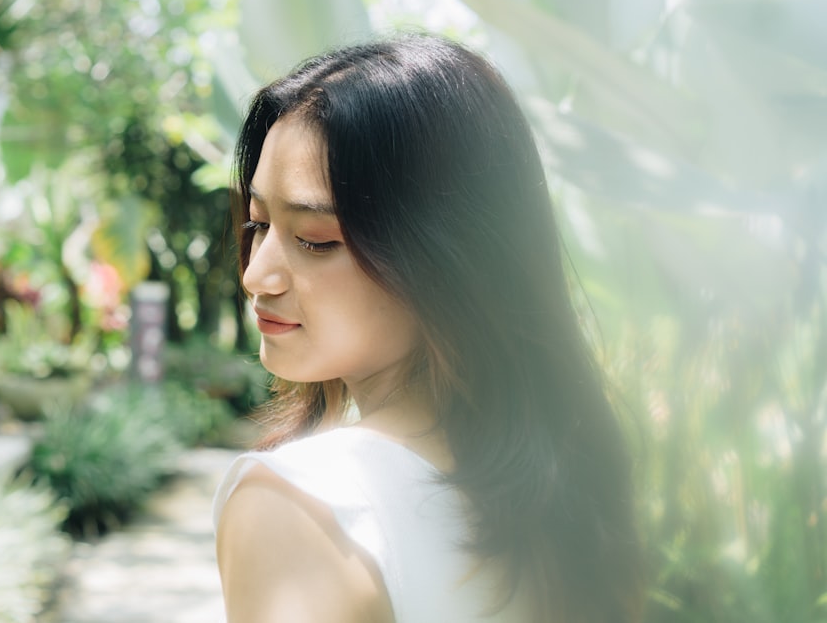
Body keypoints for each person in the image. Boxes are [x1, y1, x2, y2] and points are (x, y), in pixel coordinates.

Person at [212, 34, 644, 623]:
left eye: (315, 240)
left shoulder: (303, 504)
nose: (257, 275)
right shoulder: (563, 490)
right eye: (259, 224)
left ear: (444, 259)